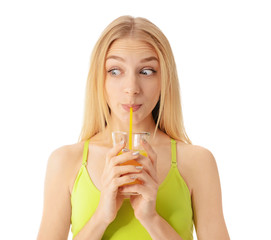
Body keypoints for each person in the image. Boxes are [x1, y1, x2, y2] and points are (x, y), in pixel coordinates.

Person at [37, 16, 230, 240]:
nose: (131, 88)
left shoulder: (197, 161)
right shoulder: (65, 161)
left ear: (164, 78)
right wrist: (101, 216)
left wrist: (151, 218)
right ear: (100, 79)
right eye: (115, 71)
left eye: (146, 71)